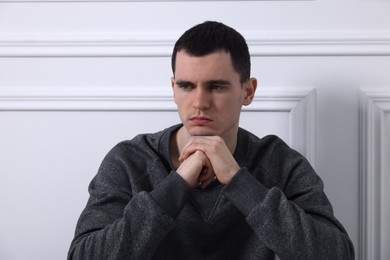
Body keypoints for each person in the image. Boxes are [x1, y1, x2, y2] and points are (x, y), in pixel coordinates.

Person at [68, 21, 354, 259]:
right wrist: (176, 186)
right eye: (186, 86)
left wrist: (238, 181)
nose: (200, 102)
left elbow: (337, 254)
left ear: (248, 92)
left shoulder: (279, 163)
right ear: (173, 88)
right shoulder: (130, 161)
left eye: (216, 86)